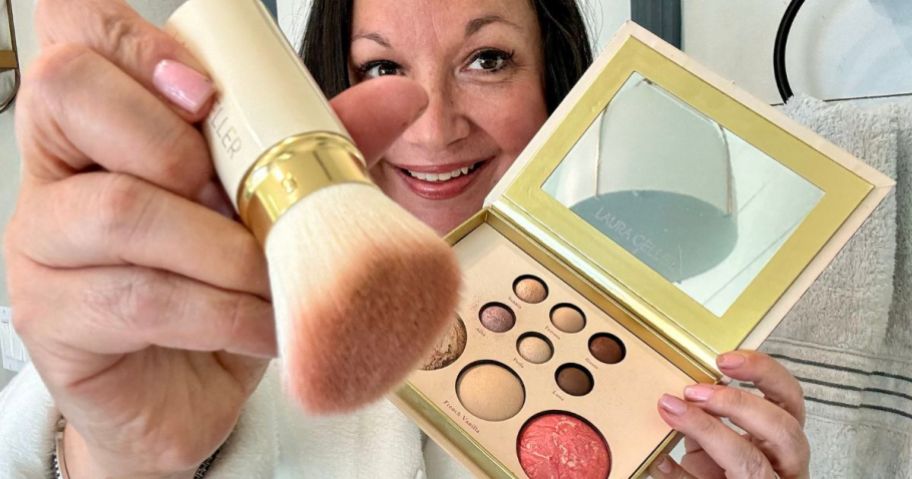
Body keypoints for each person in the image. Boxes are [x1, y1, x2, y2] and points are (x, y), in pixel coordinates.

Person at [0, 0, 810, 477]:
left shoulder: (665, 352)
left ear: (557, 85)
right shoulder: (198, 317)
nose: (433, 126)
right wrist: (121, 456)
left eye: (488, 59)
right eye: (382, 69)